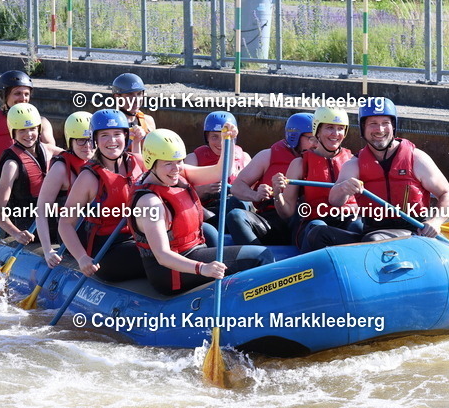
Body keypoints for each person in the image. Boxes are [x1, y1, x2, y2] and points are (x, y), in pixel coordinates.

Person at [131, 129, 274, 295]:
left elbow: (221, 171)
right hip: (170, 273)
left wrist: (227, 140)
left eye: (179, 161)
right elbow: (162, 255)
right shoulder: (149, 203)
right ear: (151, 162)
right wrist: (203, 268)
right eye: (168, 163)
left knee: (210, 231)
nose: (176, 168)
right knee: (260, 256)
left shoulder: (176, 175)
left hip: (191, 251)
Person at [329, 98, 449, 240]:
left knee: (374, 239)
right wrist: (343, 189)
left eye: (385, 123)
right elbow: (334, 200)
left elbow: (448, 194)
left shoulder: (417, 158)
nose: (380, 129)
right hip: (371, 231)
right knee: (319, 234)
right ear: (363, 128)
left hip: (413, 233)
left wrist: (436, 221)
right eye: (373, 124)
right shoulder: (354, 164)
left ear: (393, 126)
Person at [58, 109, 146, 282]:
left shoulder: (137, 162)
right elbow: (66, 223)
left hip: (138, 238)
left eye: (117, 134)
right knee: (154, 254)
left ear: (125, 136)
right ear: (95, 140)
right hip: (107, 251)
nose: (112, 140)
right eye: (104, 135)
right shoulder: (89, 177)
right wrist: (82, 257)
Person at [0, 70, 55, 221]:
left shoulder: (42, 123)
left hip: (32, 186)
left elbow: (53, 159)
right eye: (17, 93)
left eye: (26, 94)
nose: (23, 98)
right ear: (4, 96)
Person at [272, 107, 361, 252]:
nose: (335, 133)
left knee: (358, 225)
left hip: (346, 221)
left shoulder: (353, 161)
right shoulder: (300, 164)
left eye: (340, 129)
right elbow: (286, 212)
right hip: (312, 225)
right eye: (329, 127)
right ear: (317, 131)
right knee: (319, 227)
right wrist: (277, 194)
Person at [227, 112, 315, 246]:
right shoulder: (267, 156)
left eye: (318, 138)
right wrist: (256, 195)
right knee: (235, 215)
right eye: (311, 138)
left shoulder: (323, 159)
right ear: (295, 137)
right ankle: (259, 256)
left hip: (302, 221)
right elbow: (237, 187)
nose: (316, 143)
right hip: (271, 222)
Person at [0, 103, 61, 245]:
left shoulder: (49, 150)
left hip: (54, 224)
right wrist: (16, 234)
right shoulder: (11, 165)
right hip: (28, 229)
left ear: (39, 129)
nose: (29, 134)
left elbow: (78, 159)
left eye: (32, 129)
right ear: (13, 132)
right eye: (22, 130)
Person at [35, 111, 94, 268]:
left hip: (95, 229)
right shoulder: (60, 169)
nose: (87, 145)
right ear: (70, 141)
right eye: (81, 140)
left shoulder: (100, 162)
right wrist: (47, 250)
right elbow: (41, 210)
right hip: (72, 234)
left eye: (91, 140)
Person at [185, 111, 251, 214]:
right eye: (214, 137)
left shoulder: (245, 158)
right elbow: (184, 193)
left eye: (224, 137)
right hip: (209, 210)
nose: (221, 142)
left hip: (238, 208)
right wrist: (204, 189)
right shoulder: (193, 158)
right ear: (207, 138)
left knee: (237, 203)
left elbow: (253, 193)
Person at [111, 72, 156, 155]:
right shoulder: (111, 124)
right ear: (117, 97)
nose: (136, 99)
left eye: (139, 94)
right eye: (129, 94)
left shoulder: (148, 121)